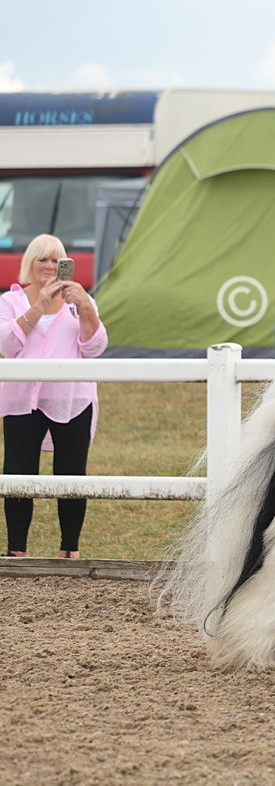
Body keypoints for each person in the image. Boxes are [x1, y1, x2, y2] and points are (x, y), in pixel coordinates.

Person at [0, 234, 108, 558]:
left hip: (72, 398)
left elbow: (94, 347)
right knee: (19, 473)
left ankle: (70, 550)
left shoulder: (79, 302)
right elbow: (7, 346)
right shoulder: (10, 301)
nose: (48, 266)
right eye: (41, 259)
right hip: (23, 400)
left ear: (65, 265)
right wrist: (40, 306)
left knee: (72, 473)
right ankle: (16, 550)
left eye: (55, 260)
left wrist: (86, 305)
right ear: (29, 263)